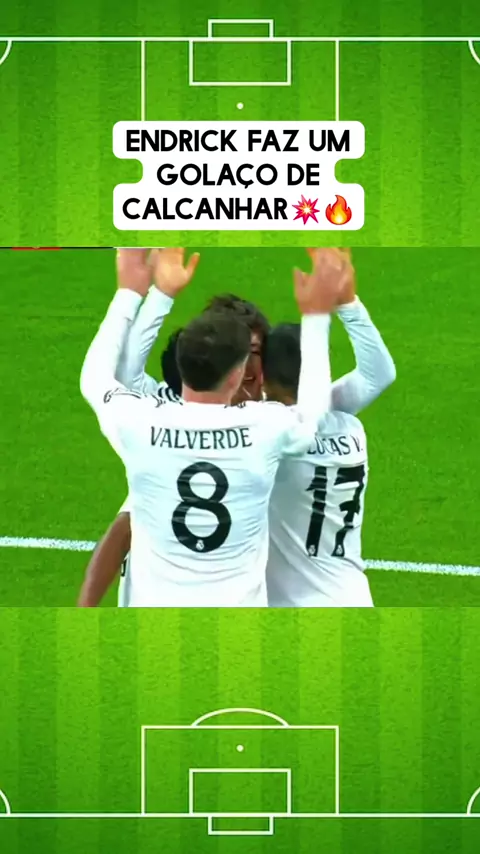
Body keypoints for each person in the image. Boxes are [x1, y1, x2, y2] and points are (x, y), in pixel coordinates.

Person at [79, 247, 347, 607]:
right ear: (236, 375)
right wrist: (316, 316)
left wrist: (134, 292)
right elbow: (312, 413)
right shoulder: (265, 428)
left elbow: (96, 378)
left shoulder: (141, 422)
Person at [77, 251, 269, 606]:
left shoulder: (154, 424)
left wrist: (150, 293)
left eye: (253, 350)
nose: (246, 362)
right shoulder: (272, 427)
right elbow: (123, 530)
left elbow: (105, 380)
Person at [263, 252, 396, 607]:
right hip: (354, 599)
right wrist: (348, 302)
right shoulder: (348, 424)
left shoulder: (270, 434)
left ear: (264, 379)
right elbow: (379, 375)